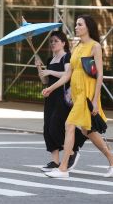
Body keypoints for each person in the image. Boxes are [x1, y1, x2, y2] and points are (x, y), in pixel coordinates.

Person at [42, 15, 113, 178]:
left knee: (69, 125)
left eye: (79, 24)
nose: (76, 27)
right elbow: (68, 74)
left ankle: (63, 168)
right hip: (77, 94)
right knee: (88, 131)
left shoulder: (95, 46)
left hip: (87, 95)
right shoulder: (76, 47)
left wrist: (95, 101)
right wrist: (50, 88)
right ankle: (112, 160)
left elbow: (100, 75)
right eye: (76, 25)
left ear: (88, 27)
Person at [35, 30, 87, 172]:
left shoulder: (67, 57)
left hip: (62, 97)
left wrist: (50, 72)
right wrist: (39, 67)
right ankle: (55, 161)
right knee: (47, 128)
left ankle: (71, 151)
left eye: (56, 41)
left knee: (55, 126)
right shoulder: (49, 60)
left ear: (63, 43)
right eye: (51, 41)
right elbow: (45, 80)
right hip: (50, 96)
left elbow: (67, 75)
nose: (53, 43)